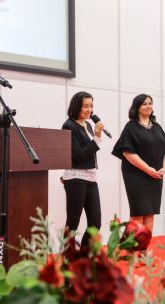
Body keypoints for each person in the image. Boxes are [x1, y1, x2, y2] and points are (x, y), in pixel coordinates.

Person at [111, 94, 165, 234]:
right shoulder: (131, 127)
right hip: (136, 175)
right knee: (138, 212)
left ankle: (144, 250)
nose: (148, 106)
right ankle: (133, 251)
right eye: (144, 103)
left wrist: (164, 168)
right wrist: (148, 169)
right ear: (137, 107)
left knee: (150, 212)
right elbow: (128, 153)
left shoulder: (157, 127)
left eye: (150, 103)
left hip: (155, 176)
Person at [62, 91, 105, 248]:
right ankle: (67, 259)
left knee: (95, 223)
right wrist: (97, 138)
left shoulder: (87, 125)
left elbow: (88, 151)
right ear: (76, 106)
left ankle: (83, 257)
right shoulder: (69, 125)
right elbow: (78, 156)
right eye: (85, 106)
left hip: (90, 177)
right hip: (76, 178)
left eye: (91, 106)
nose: (89, 110)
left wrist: (96, 138)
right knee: (72, 223)